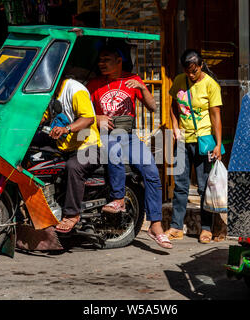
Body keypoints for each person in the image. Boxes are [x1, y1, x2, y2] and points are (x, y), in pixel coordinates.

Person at [87, 43, 172, 249]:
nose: (102, 64)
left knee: (151, 171)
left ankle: (156, 225)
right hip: (106, 135)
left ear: (119, 61)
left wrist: (142, 88)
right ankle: (119, 199)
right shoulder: (94, 85)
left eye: (106, 60)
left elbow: (152, 107)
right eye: (100, 60)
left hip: (130, 136)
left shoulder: (132, 80)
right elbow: (84, 113)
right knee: (113, 149)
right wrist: (97, 117)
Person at [165, 49, 224, 244]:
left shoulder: (210, 85)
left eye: (194, 71)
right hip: (183, 140)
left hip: (204, 141)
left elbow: (216, 116)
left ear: (200, 66)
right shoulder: (179, 80)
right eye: (187, 71)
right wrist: (174, 126)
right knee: (180, 186)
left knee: (203, 186)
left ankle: (206, 229)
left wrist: (218, 144)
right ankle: (175, 227)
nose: (191, 75)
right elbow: (173, 104)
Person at [44, 76, 102, 233]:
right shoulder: (48, 93)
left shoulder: (75, 90)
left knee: (73, 167)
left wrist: (66, 129)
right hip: (64, 147)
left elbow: (89, 118)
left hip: (89, 146)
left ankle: (72, 214)